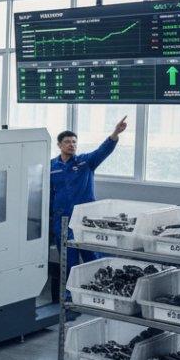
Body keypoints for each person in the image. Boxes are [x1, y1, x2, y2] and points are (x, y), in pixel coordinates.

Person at [50, 116, 129, 274]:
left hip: (85, 220)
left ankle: (97, 290)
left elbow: (103, 150)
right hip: (62, 220)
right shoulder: (51, 166)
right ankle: (69, 295)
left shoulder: (85, 162)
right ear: (59, 145)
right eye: (67, 142)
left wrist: (115, 133)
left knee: (93, 259)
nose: (72, 145)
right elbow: (47, 193)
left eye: (74, 142)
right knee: (68, 261)